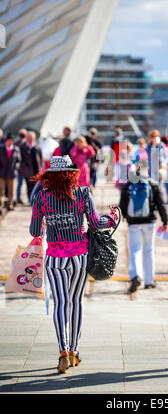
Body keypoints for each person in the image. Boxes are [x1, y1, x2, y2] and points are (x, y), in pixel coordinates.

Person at [29, 155, 118, 374]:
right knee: (76, 301)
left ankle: (63, 351)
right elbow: (97, 223)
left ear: (49, 177)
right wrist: (114, 217)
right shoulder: (83, 193)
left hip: (56, 258)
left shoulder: (42, 197)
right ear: (72, 174)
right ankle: (75, 351)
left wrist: (44, 221)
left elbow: (34, 231)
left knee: (61, 303)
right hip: (79, 255)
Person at [119, 159, 168, 293]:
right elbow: (161, 205)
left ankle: (135, 276)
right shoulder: (152, 184)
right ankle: (149, 281)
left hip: (133, 222)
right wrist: (165, 222)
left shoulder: (129, 185)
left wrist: (124, 217)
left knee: (134, 250)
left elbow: (122, 204)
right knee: (148, 250)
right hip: (149, 222)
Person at [0, 133, 21, 214]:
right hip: (1, 173)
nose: (9, 142)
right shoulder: (1, 149)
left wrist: (15, 168)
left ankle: (10, 205)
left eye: (11, 141)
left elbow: (18, 161)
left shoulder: (16, 149)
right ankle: (0, 206)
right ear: (6, 141)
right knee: (0, 190)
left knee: (11, 190)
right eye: (8, 141)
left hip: (11, 173)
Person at [19, 131, 43, 202]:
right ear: (26, 138)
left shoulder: (37, 147)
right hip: (27, 170)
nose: (30, 140)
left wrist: (40, 167)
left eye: (32, 138)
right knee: (28, 186)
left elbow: (40, 158)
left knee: (36, 186)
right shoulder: (22, 147)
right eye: (29, 138)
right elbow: (21, 159)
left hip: (36, 170)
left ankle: (35, 199)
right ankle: (30, 199)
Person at [15, 128, 27, 204]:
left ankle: (20, 197)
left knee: (24, 184)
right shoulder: (18, 144)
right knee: (19, 184)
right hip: (20, 168)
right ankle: (18, 198)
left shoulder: (18, 143)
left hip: (25, 168)